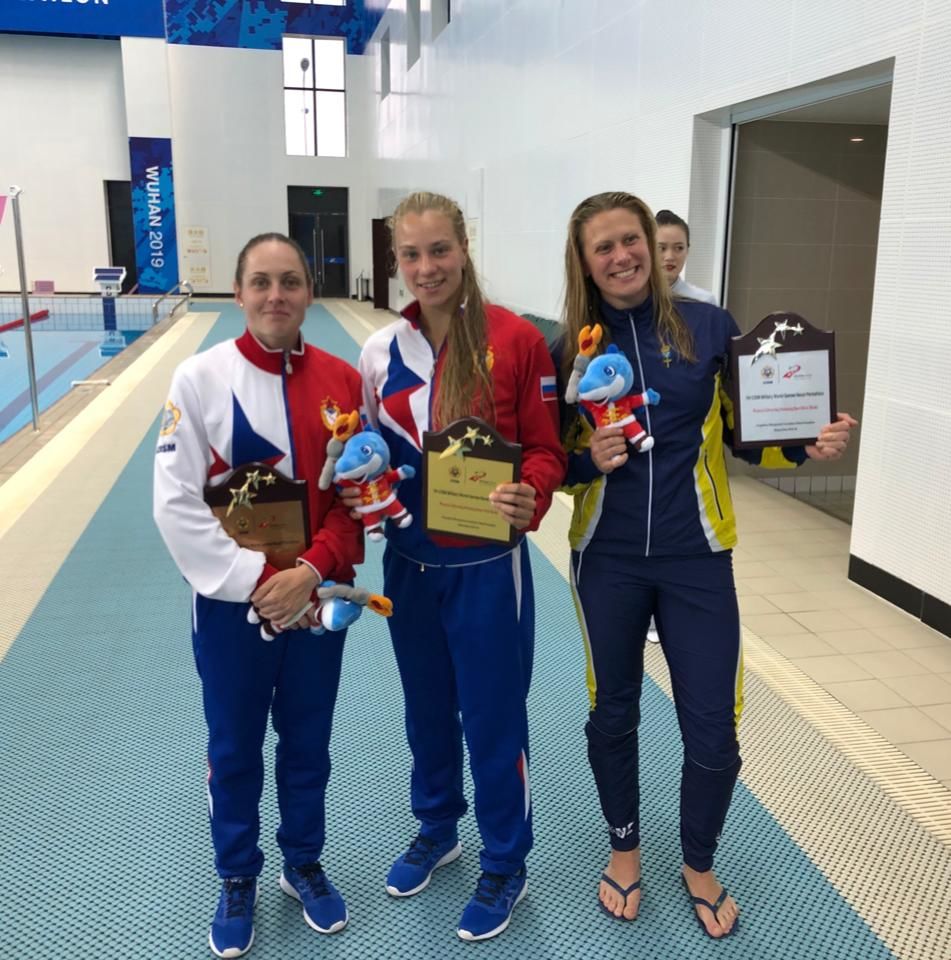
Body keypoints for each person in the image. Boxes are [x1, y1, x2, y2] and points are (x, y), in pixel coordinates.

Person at [557, 192, 856, 938]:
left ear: (652, 243)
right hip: (607, 559)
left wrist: (802, 444)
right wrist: (585, 461)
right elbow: (550, 460)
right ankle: (624, 848)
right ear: (584, 262)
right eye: (603, 247)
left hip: (697, 556)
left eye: (630, 239)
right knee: (612, 711)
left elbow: (745, 435)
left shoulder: (710, 327)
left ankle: (698, 860)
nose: (622, 256)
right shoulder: (570, 349)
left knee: (715, 728)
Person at [355, 191, 566, 942]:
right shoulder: (380, 353)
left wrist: (530, 493)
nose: (426, 267)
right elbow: (367, 455)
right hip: (409, 565)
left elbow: (547, 450)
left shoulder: (516, 340)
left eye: (439, 249)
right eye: (410, 254)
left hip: (487, 565)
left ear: (463, 246)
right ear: (395, 260)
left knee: (492, 716)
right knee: (425, 709)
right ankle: (438, 827)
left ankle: (505, 860)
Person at [153, 233, 365, 958]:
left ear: (309, 291)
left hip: (315, 599)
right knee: (235, 747)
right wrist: (258, 583)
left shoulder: (343, 381)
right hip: (230, 609)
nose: (277, 295)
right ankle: (237, 873)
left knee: (308, 745)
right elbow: (174, 505)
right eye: (262, 282)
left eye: (291, 281)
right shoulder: (198, 379)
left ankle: (302, 863)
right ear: (239, 292)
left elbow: (354, 502)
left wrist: (309, 571)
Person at [655, 208, 718, 305]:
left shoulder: (704, 302)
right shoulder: (633, 299)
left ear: (687, 251)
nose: (670, 257)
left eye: (679, 248)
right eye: (661, 248)